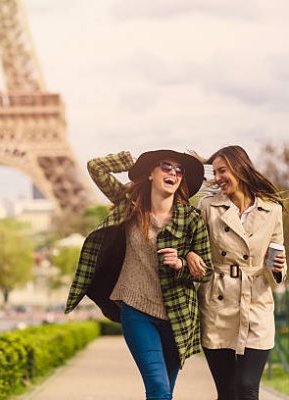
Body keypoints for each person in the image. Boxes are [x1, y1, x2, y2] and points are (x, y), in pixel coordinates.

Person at [65, 150, 214, 400]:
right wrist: (132, 163)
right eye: (165, 167)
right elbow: (95, 167)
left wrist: (182, 263)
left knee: (165, 391)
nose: (173, 173)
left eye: (179, 170)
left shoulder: (192, 218)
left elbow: (206, 270)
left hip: (178, 315)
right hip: (136, 310)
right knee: (158, 387)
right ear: (150, 174)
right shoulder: (131, 205)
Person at [186, 145, 287, 400]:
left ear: (239, 167)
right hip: (218, 303)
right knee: (228, 391)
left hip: (256, 302)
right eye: (215, 172)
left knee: (247, 386)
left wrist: (278, 267)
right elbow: (192, 244)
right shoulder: (208, 207)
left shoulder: (271, 209)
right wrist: (189, 255)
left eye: (223, 171)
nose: (218, 177)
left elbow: (277, 255)